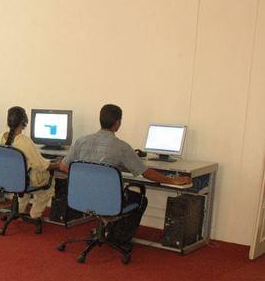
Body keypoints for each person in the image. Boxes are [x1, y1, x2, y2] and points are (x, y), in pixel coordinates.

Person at [60, 104, 191, 247]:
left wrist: (84, 176)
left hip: (83, 198)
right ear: (118, 123)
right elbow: (146, 173)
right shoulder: (122, 147)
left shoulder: (80, 142)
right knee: (141, 199)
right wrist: (172, 180)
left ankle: (109, 231)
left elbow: (63, 166)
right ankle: (119, 239)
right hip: (108, 201)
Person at [0, 106, 59, 232]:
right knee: (47, 185)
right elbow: (43, 165)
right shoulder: (25, 142)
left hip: (4, 180)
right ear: (24, 122)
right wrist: (58, 164)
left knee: (24, 178)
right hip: (20, 181)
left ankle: (19, 210)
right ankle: (35, 215)